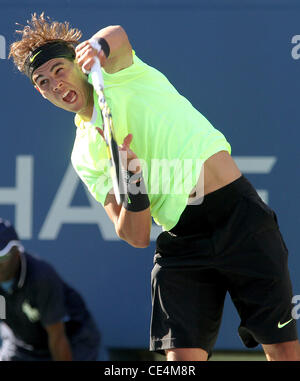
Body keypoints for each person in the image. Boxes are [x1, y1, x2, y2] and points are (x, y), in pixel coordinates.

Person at [9, 13, 300, 361]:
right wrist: (132, 185)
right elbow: (134, 235)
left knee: (283, 352)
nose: (53, 84)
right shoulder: (83, 153)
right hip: (181, 241)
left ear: (78, 62)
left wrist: (98, 48)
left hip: (239, 217)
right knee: (180, 362)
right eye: (42, 82)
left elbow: (115, 34)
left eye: (58, 69)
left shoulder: (118, 74)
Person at [0, 218, 100, 361]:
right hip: (21, 345)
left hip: (71, 340)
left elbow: (58, 338)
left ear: (17, 252)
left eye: (2, 256)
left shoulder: (41, 278)